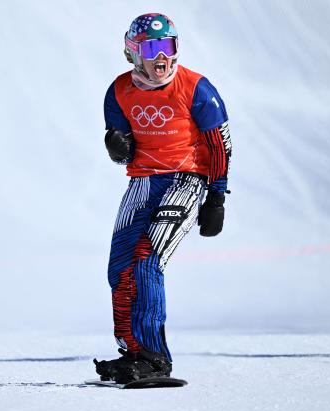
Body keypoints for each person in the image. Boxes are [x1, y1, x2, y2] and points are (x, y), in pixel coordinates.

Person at [93, 13, 232, 383]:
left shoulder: (196, 88)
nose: (162, 58)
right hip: (142, 183)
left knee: (146, 260)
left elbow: (219, 145)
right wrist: (117, 148)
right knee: (119, 268)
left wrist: (216, 197)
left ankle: (156, 358)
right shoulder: (120, 90)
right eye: (152, 48)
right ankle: (133, 351)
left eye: (168, 47)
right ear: (133, 53)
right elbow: (124, 151)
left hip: (185, 180)